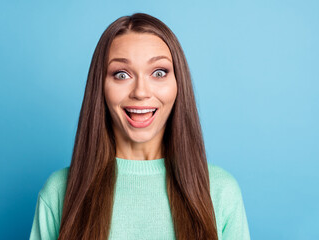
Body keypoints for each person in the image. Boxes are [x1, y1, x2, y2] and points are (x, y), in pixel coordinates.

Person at [29, 13, 250, 240]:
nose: (141, 92)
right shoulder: (60, 192)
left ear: (178, 84)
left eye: (159, 73)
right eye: (121, 74)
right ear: (100, 87)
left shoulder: (221, 192)